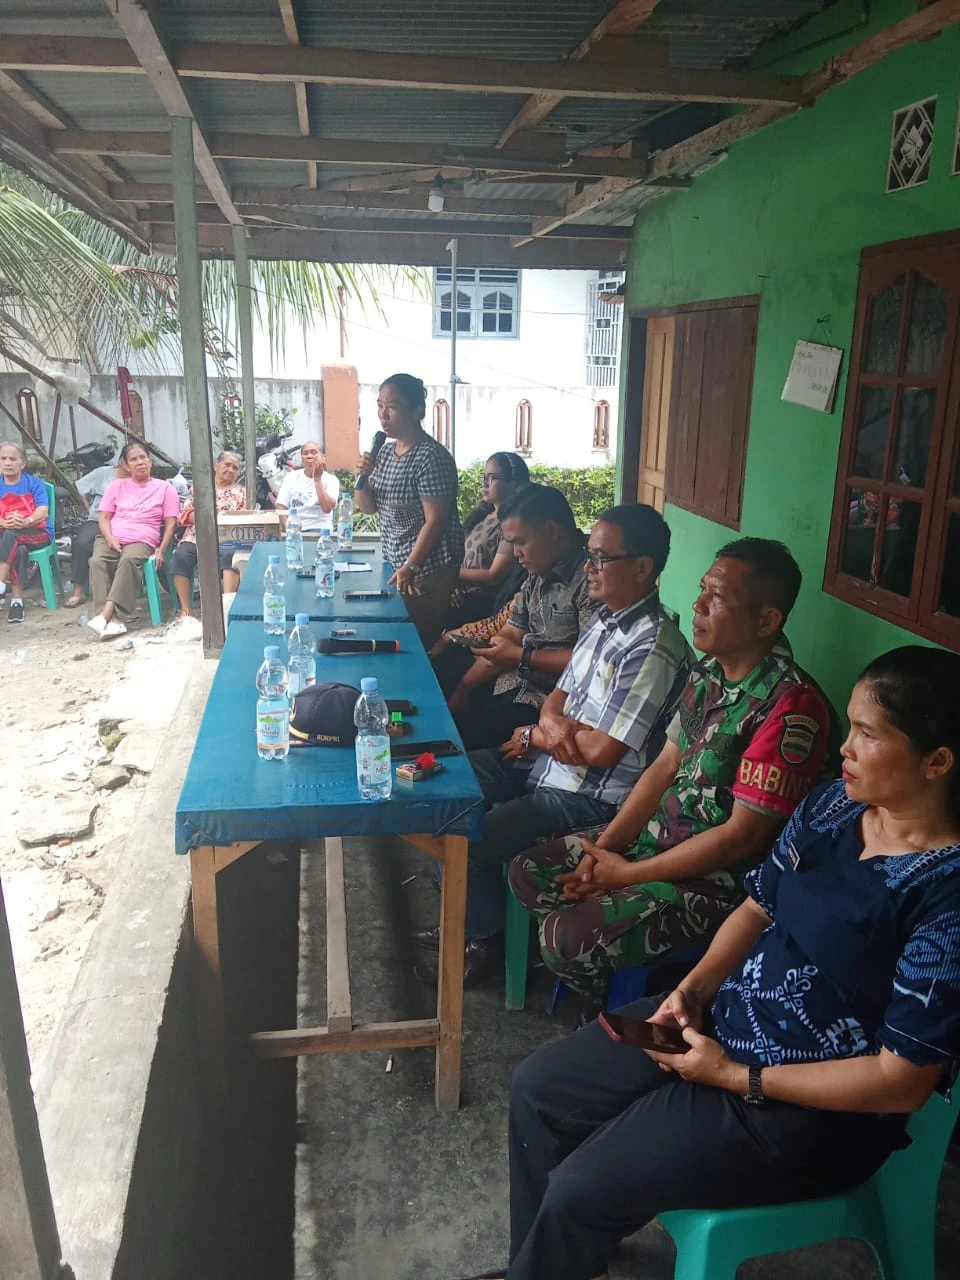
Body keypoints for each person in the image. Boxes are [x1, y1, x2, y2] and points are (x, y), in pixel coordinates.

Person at [469, 645, 960, 1280]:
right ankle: (543, 1266)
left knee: (580, 1184)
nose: (845, 747)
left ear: (937, 760)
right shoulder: (834, 809)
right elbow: (758, 908)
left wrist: (736, 1077)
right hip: (719, 1024)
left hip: (800, 1112)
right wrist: (694, 990)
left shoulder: (945, 896)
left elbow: (903, 1080)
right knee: (539, 1088)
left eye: (867, 734)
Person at [510, 538, 838, 1007]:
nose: (697, 604)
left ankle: (604, 1007)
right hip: (655, 843)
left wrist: (626, 874)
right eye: (703, 589)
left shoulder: (790, 708)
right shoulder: (710, 673)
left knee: (564, 936)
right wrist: (603, 853)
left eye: (717, 598)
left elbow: (740, 839)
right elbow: (664, 767)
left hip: (716, 881)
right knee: (529, 872)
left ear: (767, 620)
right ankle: (599, 970)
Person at [414, 505, 694, 988]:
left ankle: (485, 944)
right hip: (547, 765)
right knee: (443, 780)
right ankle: (466, 909)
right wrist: (547, 723)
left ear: (643, 567)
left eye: (601, 558)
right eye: (589, 556)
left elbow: (604, 752)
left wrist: (538, 734)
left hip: (586, 796)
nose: (589, 568)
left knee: (468, 838)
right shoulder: (606, 622)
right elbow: (560, 693)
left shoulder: (653, 646)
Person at [448, 484, 594, 752]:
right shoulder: (538, 572)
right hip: (515, 681)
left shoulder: (591, 580)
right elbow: (511, 635)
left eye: (521, 542)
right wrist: (464, 688)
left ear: (551, 531)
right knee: (443, 685)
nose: (516, 553)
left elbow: (589, 661)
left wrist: (520, 657)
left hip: (551, 704)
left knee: (457, 739)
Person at [355, 373, 464, 649]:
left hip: (427, 572)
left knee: (413, 646)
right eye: (379, 405)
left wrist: (411, 565)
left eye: (392, 407)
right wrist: (363, 478)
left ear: (417, 411)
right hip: (398, 567)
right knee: (394, 642)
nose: (383, 414)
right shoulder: (385, 452)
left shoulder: (431, 456)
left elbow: (435, 520)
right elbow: (368, 508)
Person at [86, 442, 179, 640]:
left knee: (128, 561)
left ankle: (104, 614)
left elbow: (171, 523)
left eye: (143, 458)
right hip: (112, 537)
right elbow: (104, 517)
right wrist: (109, 538)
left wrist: (161, 550)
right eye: (134, 459)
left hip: (142, 538)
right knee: (96, 561)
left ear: (150, 461)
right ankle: (114, 622)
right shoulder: (116, 486)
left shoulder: (164, 488)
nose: (140, 463)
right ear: (126, 465)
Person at [448, 451, 530, 625]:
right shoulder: (482, 517)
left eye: (492, 478)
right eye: (484, 477)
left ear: (512, 484)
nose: (485, 483)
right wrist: (452, 583)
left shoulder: (512, 524)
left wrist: (449, 575)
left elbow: (494, 575)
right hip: (459, 593)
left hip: (482, 604)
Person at [171, 450, 246, 618]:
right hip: (198, 536)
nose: (231, 470)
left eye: (235, 468)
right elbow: (187, 514)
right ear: (216, 465)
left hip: (228, 537)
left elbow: (244, 517)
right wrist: (211, 521)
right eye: (227, 465)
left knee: (230, 554)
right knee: (181, 556)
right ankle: (185, 610)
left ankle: (227, 607)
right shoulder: (200, 488)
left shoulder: (242, 493)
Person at [0, 441, 52, 624]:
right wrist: (5, 522)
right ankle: (16, 601)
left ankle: (1, 582)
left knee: (12, 534)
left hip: (37, 533)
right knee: (17, 547)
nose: (7, 462)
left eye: (12, 459)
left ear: (22, 464)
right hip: (9, 534)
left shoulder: (34, 483)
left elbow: (43, 511)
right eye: (3, 458)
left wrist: (25, 521)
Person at [64, 457, 127, 610]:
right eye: (130, 459)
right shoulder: (103, 473)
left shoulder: (138, 478)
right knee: (82, 543)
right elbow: (81, 488)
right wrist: (90, 509)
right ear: (122, 460)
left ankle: (117, 590)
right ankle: (79, 590)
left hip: (124, 521)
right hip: (97, 519)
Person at [276, 440, 339, 534]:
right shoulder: (291, 477)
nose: (309, 456)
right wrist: (290, 532)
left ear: (322, 457)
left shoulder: (331, 480)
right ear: (301, 458)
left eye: (314, 452)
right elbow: (281, 508)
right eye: (305, 453)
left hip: (320, 531)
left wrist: (317, 479)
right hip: (295, 530)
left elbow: (327, 508)